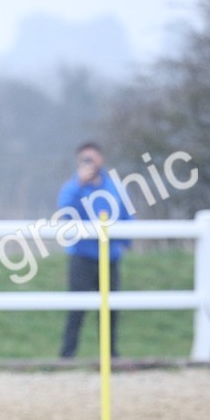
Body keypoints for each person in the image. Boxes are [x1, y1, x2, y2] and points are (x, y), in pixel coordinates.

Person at [57, 142, 133, 358]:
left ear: (101, 159)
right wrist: (79, 184)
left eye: (93, 158)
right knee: (77, 309)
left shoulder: (113, 185)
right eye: (85, 159)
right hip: (81, 256)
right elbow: (65, 209)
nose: (90, 163)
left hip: (110, 256)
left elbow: (127, 213)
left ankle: (110, 355)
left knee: (110, 309)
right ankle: (67, 355)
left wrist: (125, 241)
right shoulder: (73, 187)